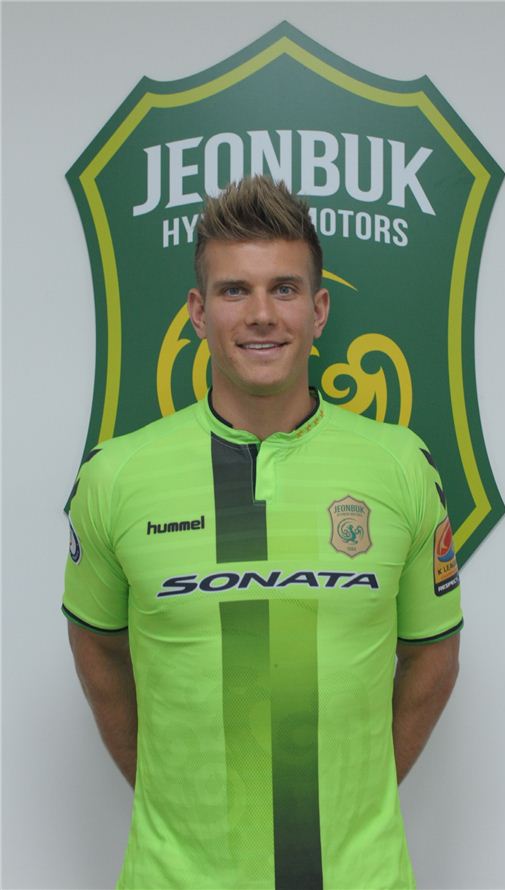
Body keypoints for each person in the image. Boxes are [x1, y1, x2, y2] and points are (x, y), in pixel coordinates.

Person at [63, 175, 462, 890]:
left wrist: (357, 800)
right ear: (197, 311)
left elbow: (433, 657)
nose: (260, 315)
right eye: (233, 291)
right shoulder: (116, 475)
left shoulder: (399, 464)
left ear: (318, 309)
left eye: (283, 289)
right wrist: (169, 797)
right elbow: (97, 649)